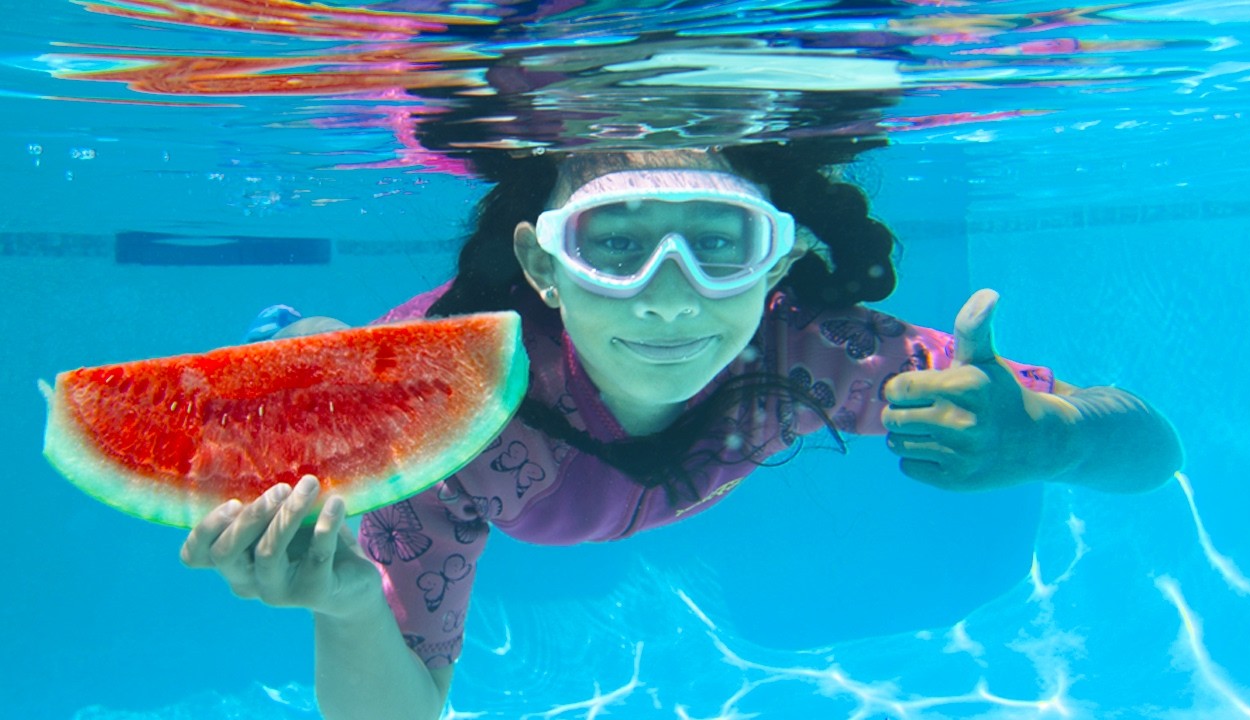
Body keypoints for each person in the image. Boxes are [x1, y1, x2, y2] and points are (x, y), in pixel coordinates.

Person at [179, 140, 1184, 719]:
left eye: (717, 244)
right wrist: (350, 604)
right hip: (414, 376)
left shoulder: (808, 349)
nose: (669, 298)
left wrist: (1058, 438)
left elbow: (1152, 449)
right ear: (542, 267)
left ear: (776, 261)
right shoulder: (445, 430)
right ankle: (297, 337)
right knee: (328, 370)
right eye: (614, 246)